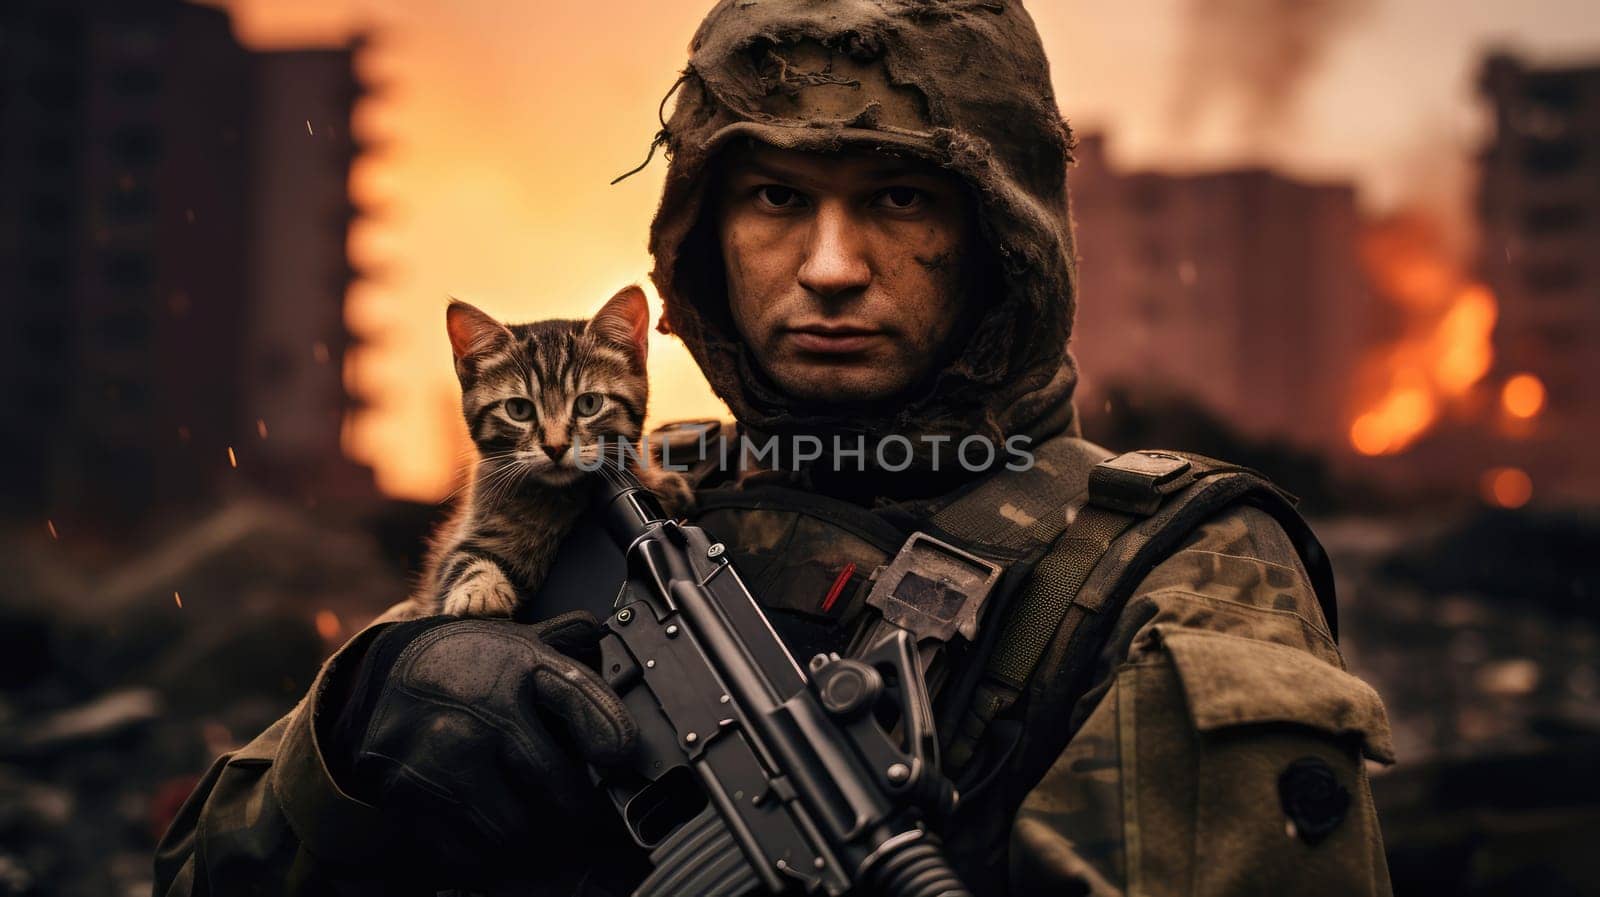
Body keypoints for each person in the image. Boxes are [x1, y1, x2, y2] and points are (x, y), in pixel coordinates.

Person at [155, 1, 1395, 895]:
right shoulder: (626, 501)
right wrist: (372, 724)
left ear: (1000, 237)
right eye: (776, 198)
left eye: (899, 199)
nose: (832, 267)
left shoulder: (1172, 570)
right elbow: (199, 869)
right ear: (708, 236)